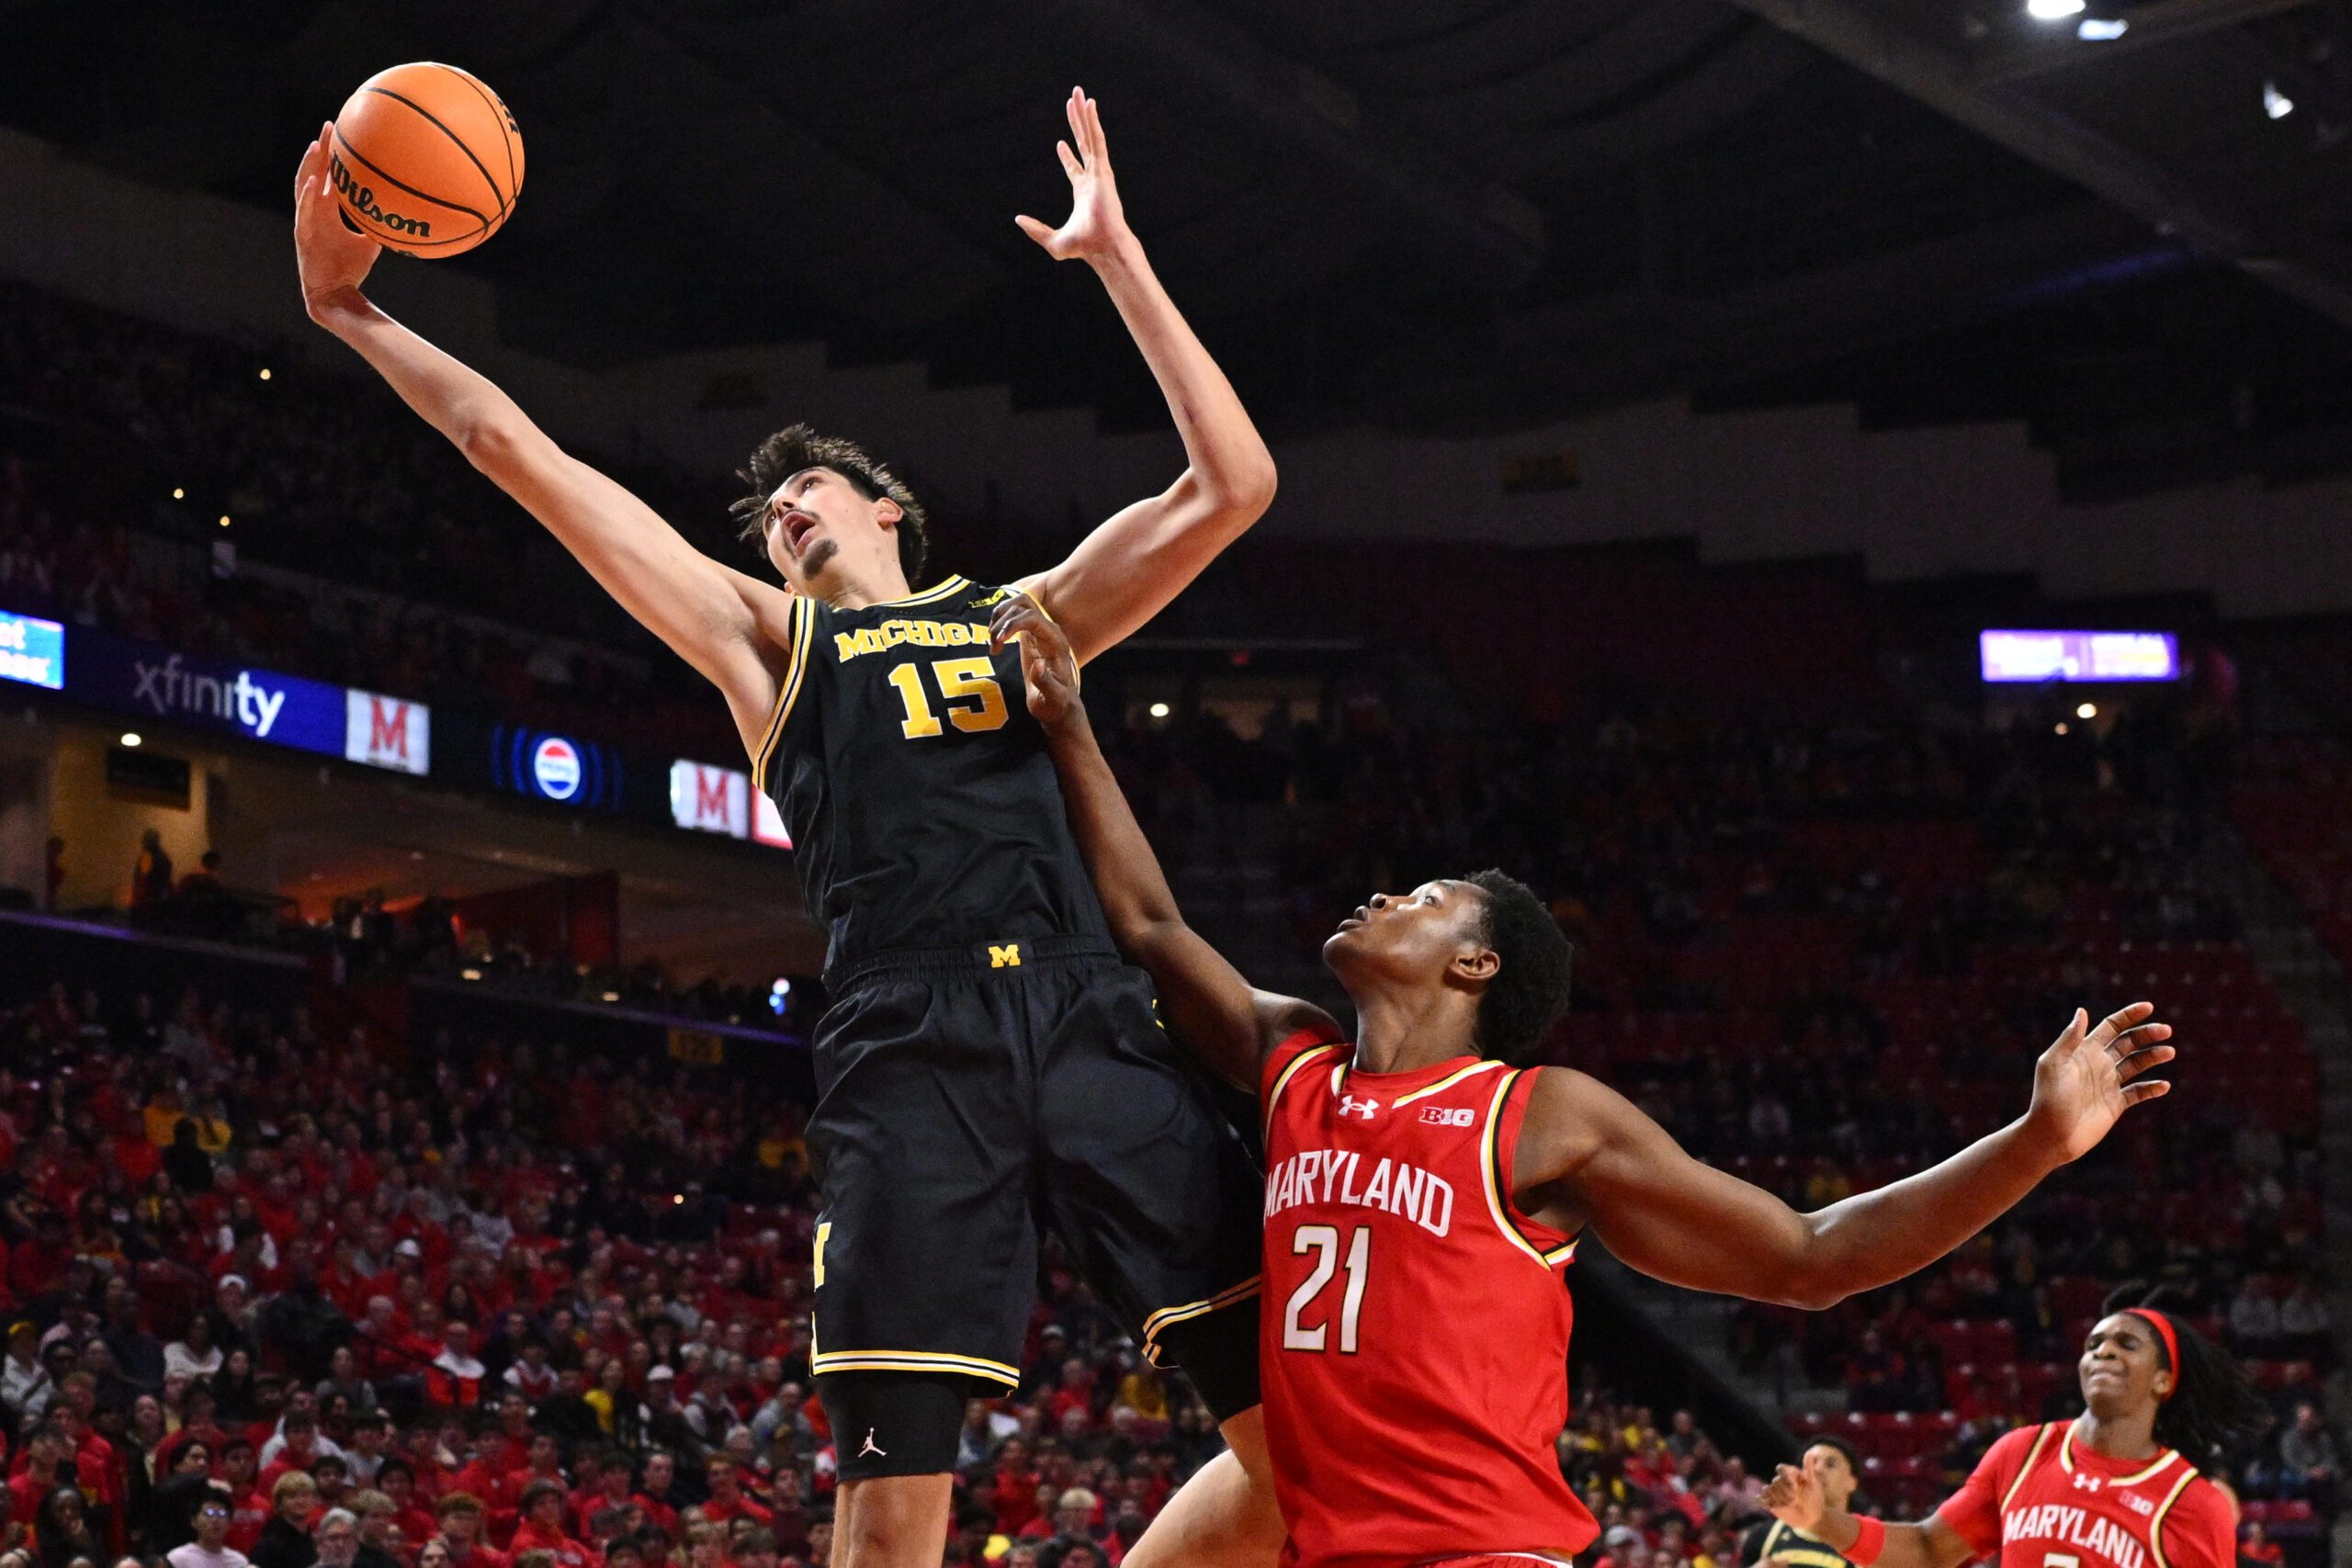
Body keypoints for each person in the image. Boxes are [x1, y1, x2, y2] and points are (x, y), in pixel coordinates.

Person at [291, 85, 1280, 1568]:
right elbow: (520, 453)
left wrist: (1120, 263)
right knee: (888, 1518)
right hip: (910, 1039)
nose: (788, 520)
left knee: (1308, 1445)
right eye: (769, 522)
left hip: (1094, 1016)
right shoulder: (772, 650)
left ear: (889, 505)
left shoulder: (1023, 620)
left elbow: (1234, 486)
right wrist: (345, 308)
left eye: (810, 493)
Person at [998, 592, 2183, 1568]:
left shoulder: (1535, 1114)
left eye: (1419, 899)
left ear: (1476, 961)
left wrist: (2032, 1141)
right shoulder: (1292, 1062)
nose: (1377, 899)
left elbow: (1813, 1259)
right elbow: (1149, 924)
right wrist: (1069, 730)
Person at [1759, 1293, 2268, 1568]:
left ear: (2164, 1379)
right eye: (2094, 1343)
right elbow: (1928, 1550)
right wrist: (1820, 1520)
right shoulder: (2023, 1452)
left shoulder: (2191, 1503)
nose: (2103, 1351)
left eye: (2126, 1345)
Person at [1742, 1438, 1863, 1568]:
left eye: (1830, 1465)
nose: (1817, 1470)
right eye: (1810, 1465)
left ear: (1852, 1482)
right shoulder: (1763, 1536)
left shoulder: (1868, 1550)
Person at [167, 1487, 251, 1568]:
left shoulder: (239, 1562)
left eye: (222, 1514)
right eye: (209, 1513)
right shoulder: (177, 1559)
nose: (215, 1520)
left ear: (230, 1523)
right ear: (193, 1521)